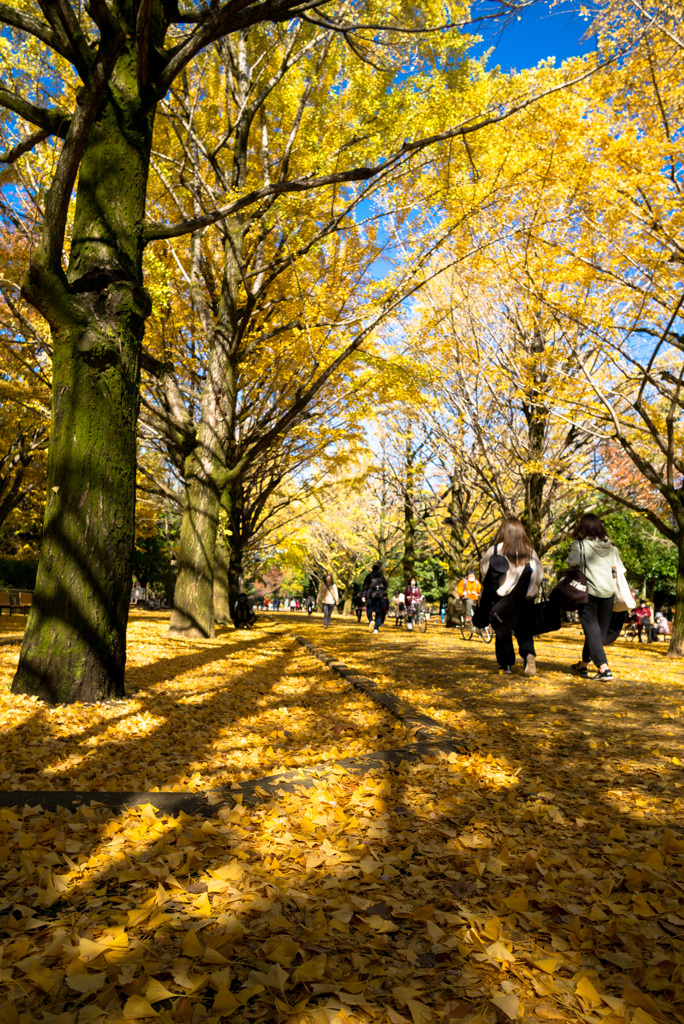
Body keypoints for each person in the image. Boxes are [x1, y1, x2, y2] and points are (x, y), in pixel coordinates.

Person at [480, 517, 544, 676]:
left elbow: (484, 571)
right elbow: (540, 577)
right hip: (526, 599)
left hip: (503, 599)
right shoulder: (530, 551)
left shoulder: (494, 550)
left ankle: (506, 665)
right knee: (524, 631)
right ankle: (529, 655)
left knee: (503, 631)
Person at [568, 512, 625, 681]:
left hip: (589, 593)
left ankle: (603, 668)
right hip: (608, 592)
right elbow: (619, 569)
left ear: (582, 527)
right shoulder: (612, 547)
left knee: (592, 630)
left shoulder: (580, 545)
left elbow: (571, 563)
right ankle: (583, 666)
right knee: (595, 632)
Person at [365, 563, 388, 634]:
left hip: (370, 596)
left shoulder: (369, 576)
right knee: (378, 613)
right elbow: (386, 586)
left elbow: (365, 586)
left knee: (369, 611)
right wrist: (381, 589)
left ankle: (371, 620)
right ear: (378, 570)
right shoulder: (381, 577)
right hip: (379, 596)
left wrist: (363, 595)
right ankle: (376, 629)